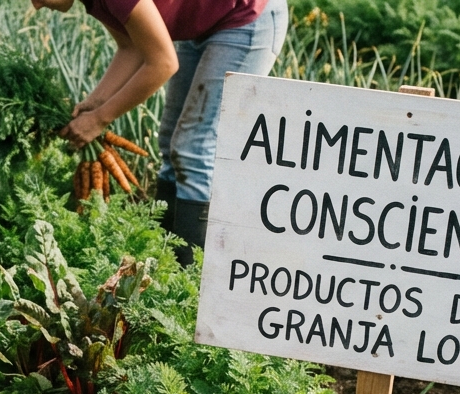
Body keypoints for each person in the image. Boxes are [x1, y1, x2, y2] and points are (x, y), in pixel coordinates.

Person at [34, 0, 288, 259]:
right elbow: (131, 48)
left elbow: (163, 64)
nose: (35, 5)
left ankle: (189, 276)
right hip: (205, 23)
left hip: (247, 17)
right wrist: (96, 102)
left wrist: (100, 119)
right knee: (169, 141)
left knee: (193, 147)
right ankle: (162, 260)